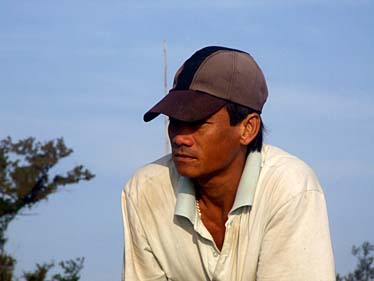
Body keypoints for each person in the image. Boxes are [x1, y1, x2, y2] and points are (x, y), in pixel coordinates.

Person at [121, 46, 335, 281]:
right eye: (174, 120)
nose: (180, 137)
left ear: (247, 128)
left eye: (198, 123)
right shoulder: (146, 191)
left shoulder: (289, 188)